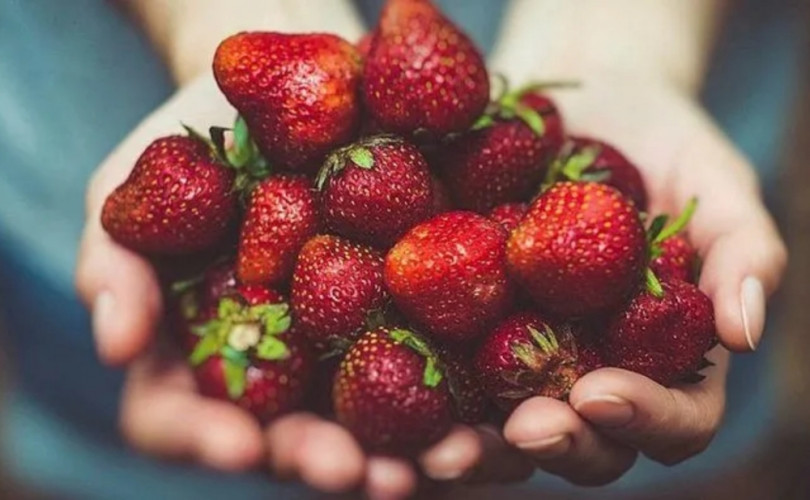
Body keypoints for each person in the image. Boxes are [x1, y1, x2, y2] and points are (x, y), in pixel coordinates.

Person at [0, 1, 796, 499]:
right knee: (100, 459)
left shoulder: (487, 231)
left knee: (684, 466)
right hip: (80, 115)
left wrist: (624, 38)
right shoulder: (323, 206)